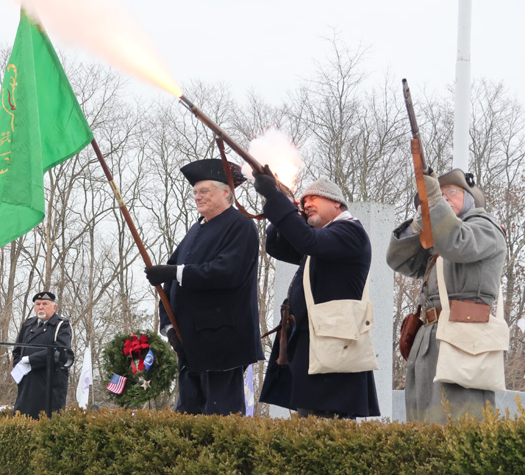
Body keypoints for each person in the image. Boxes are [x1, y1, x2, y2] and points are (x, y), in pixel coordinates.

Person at [254, 172, 380, 419]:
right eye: (303, 202)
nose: (306, 204)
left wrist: (275, 197)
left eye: (313, 198)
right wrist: (282, 203)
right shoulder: (325, 239)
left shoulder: (349, 231)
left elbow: (305, 240)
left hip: (334, 343)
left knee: (329, 425)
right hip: (317, 342)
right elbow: (277, 245)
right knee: (310, 420)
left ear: (336, 203)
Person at [145, 159, 264, 416]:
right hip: (190, 343)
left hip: (224, 342)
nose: (197, 197)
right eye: (195, 192)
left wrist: (174, 272)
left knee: (221, 417)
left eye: (204, 191)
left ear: (225, 192)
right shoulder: (194, 230)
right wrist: (169, 327)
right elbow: (169, 283)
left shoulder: (240, 226)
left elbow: (226, 272)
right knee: (188, 415)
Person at [386, 169, 506, 422]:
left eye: (451, 192)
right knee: (421, 423)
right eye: (439, 194)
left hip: (464, 335)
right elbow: (399, 261)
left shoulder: (485, 227)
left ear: (471, 198)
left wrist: (434, 204)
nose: (444, 197)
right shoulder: (440, 238)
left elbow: (458, 243)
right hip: (429, 337)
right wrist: (419, 223)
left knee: (460, 420)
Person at [11, 290, 72, 419]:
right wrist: (19, 367)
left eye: (45, 304)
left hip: (49, 384)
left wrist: (30, 360)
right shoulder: (28, 324)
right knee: (22, 418)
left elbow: (59, 351)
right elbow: (17, 350)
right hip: (27, 383)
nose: (41, 307)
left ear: (54, 307)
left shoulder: (61, 325)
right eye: (38, 304)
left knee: (45, 421)